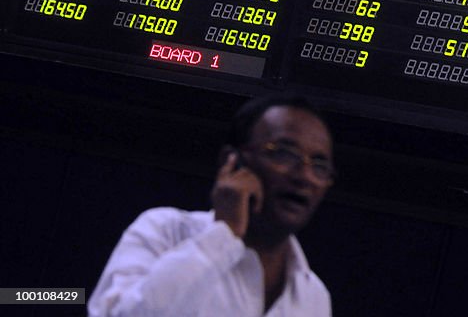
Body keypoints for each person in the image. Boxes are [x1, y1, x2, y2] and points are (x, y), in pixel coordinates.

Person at [88, 94, 335, 316]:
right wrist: (224, 233)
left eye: (319, 166)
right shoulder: (166, 231)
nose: (304, 176)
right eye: (283, 153)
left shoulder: (313, 297)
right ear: (233, 161)